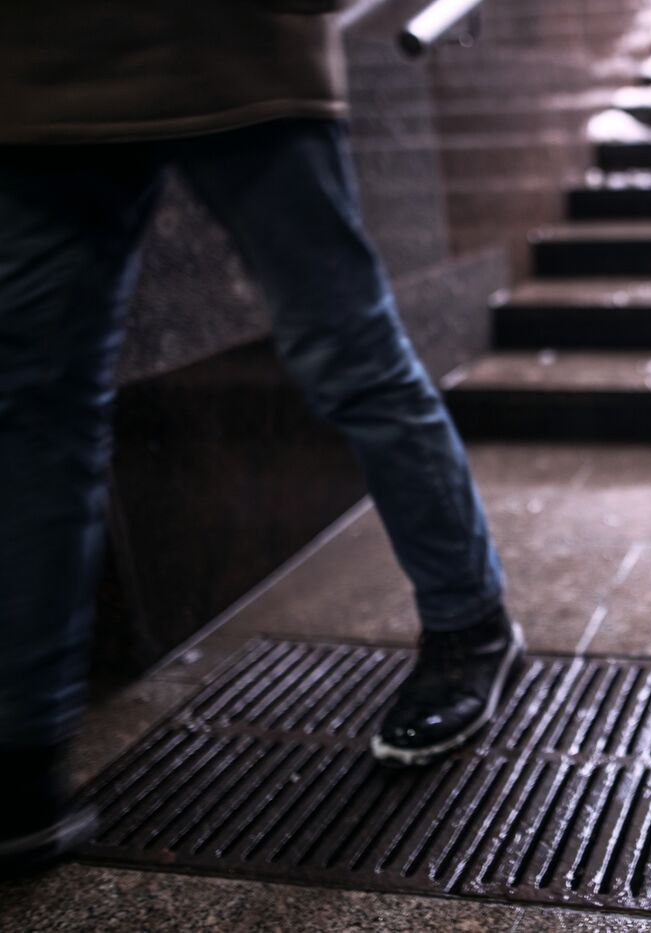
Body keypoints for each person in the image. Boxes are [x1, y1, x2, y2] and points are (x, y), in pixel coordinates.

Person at [0, 0, 522, 875]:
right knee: (30, 415)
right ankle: (20, 749)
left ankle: (469, 623)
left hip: (238, 59)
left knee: (352, 359)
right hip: (39, 86)